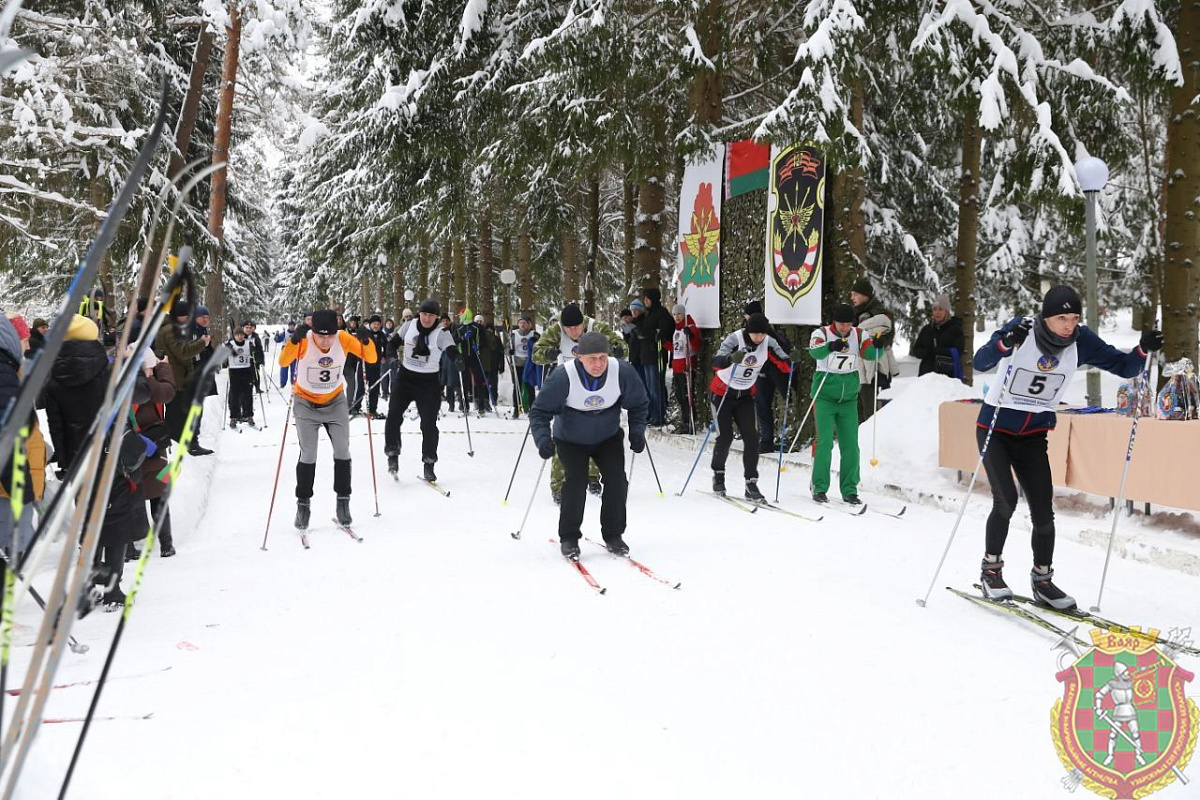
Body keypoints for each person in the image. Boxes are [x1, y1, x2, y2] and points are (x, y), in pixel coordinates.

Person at [972, 285, 1161, 610]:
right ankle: (991, 571)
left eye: (1074, 318)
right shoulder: (1023, 330)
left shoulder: (1081, 340)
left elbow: (1124, 367)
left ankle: (1042, 580)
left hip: (1033, 435)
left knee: (1043, 511)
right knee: (1006, 500)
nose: (1068, 325)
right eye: (1062, 318)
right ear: (1046, 317)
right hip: (996, 429)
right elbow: (981, 361)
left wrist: (1143, 349)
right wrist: (1004, 342)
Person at [529, 331, 648, 560]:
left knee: (617, 481)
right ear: (579, 356)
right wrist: (542, 440)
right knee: (576, 481)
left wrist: (637, 431)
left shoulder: (622, 372)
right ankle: (569, 538)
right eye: (592, 358)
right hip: (570, 439)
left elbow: (639, 404)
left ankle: (614, 535)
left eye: (603, 357)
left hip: (607, 437)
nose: (598, 364)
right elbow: (539, 412)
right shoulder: (563, 376)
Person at [278, 309, 378, 530]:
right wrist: (293, 341)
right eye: (320, 336)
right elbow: (283, 361)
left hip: (335, 402)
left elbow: (371, 357)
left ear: (337, 331)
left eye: (330, 336)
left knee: (342, 450)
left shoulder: (343, 338)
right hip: (306, 403)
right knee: (309, 453)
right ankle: (303, 504)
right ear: (313, 331)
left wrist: (366, 340)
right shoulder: (305, 339)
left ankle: (343, 502)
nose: (325, 341)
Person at [532, 304, 625, 504]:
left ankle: (592, 477)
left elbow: (622, 347)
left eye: (576, 327)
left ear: (584, 323)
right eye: (568, 328)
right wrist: (548, 354)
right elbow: (536, 353)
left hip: (595, 387)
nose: (573, 332)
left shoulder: (596, 328)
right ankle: (559, 485)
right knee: (563, 436)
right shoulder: (556, 331)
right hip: (567, 387)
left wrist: (617, 350)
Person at [710, 313, 793, 501]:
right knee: (725, 437)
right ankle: (719, 474)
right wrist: (730, 359)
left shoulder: (769, 342)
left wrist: (791, 360)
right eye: (755, 334)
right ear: (748, 331)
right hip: (722, 394)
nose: (759, 338)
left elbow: (783, 361)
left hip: (745, 396)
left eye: (762, 334)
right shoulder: (735, 339)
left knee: (752, 438)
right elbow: (716, 362)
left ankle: (751, 483)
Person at [807, 303, 878, 505]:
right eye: (841, 324)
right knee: (825, 443)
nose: (845, 328)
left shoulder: (859, 334)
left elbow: (870, 354)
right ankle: (819, 487)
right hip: (824, 398)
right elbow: (815, 352)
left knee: (851, 446)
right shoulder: (821, 333)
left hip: (848, 400)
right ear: (834, 322)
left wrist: (878, 346)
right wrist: (831, 346)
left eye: (848, 324)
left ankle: (849, 490)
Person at [384, 299, 460, 482]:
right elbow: (391, 345)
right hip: (405, 378)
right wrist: (392, 359)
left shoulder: (441, 332)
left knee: (428, 424)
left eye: (431, 316)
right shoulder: (408, 326)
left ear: (436, 317)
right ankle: (393, 453)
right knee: (393, 415)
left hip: (429, 382)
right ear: (419, 314)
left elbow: (452, 350)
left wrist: (458, 360)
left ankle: (429, 463)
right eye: (424, 314)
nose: (427, 319)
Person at [130, 346, 178, 558]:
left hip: (132, 444)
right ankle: (166, 543)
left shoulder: (125, 380)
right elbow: (167, 391)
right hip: (155, 444)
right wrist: (164, 367)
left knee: (135, 495)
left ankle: (136, 544)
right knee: (159, 494)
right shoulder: (149, 384)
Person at [155, 301, 214, 456]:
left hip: (177, 378)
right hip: (176, 379)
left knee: (180, 414)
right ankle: (181, 446)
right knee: (178, 415)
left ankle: (184, 445)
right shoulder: (172, 330)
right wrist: (202, 343)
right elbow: (183, 352)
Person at [742, 301, 793, 452]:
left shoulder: (764, 331)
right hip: (763, 373)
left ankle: (775, 439)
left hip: (773, 372)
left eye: (747, 315)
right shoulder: (749, 331)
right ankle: (766, 440)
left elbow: (773, 353)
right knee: (762, 407)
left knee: (768, 406)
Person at [850, 278, 895, 422]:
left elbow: (888, 335)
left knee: (870, 410)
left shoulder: (881, 314)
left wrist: (880, 341)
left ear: (865, 295)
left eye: (856, 294)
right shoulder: (853, 314)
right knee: (856, 410)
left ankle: (872, 434)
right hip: (855, 368)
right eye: (852, 294)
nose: (852, 298)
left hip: (873, 367)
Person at [638, 287, 675, 426]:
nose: (645, 301)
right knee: (649, 388)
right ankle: (653, 414)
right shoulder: (648, 314)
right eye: (645, 299)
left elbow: (665, 331)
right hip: (647, 355)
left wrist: (655, 335)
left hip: (656, 354)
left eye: (647, 299)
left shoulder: (661, 312)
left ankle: (659, 415)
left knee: (656, 387)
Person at [911, 294, 965, 378]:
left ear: (946, 311)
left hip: (947, 376)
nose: (937, 312)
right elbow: (916, 350)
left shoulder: (955, 329)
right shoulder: (927, 329)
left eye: (940, 309)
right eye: (935, 309)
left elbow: (958, 352)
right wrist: (929, 352)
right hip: (926, 376)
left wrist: (939, 351)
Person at [669, 303, 701, 434]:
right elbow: (676, 348)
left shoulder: (690, 328)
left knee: (687, 397)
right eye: (674, 314)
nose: (677, 317)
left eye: (679, 314)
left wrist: (691, 336)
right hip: (677, 367)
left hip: (686, 367)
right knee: (680, 397)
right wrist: (664, 342)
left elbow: (697, 346)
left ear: (684, 314)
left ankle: (690, 423)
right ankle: (685, 421)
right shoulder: (676, 329)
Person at [225, 327, 257, 427]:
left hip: (246, 371)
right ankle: (234, 417)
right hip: (234, 372)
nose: (240, 336)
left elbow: (255, 352)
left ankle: (249, 415)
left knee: (248, 395)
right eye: (237, 335)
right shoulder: (230, 344)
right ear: (234, 336)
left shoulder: (248, 343)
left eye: (242, 334)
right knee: (234, 395)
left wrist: (254, 352)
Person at [510, 314, 539, 417]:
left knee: (530, 387)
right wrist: (509, 351)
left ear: (529, 324)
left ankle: (532, 408)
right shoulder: (514, 335)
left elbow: (540, 346)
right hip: (517, 364)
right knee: (517, 387)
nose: (522, 325)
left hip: (529, 365)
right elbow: (507, 348)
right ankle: (516, 408)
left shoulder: (534, 334)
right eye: (521, 323)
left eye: (525, 323)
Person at [362, 315, 388, 419]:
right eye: (374, 324)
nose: (376, 326)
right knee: (361, 387)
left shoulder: (381, 335)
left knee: (375, 387)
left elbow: (387, 346)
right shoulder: (365, 333)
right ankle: (355, 407)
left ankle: (373, 409)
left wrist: (384, 356)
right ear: (370, 324)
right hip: (365, 364)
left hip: (376, 365)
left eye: (378, 324)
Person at [243, 321, 265, 393]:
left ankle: (257, 387)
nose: (248, 329)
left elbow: (260, 349)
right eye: (247, 328)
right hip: (242, 360)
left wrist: (261, 360)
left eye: (250, 328)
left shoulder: (255, 337)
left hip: (253, 359)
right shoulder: (239, 336)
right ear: (243, 328)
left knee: (255, 374)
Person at [276, 321, 297, 386]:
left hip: (294, 353)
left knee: (294, 369)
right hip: (285, 353)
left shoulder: (297, 333)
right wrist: (277, 336)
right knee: (284, 368)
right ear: (288, 326)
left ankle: (293, 383)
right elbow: (278, 340)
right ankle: (283, 383)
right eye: (291, 325)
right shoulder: (285, 333)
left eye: (293, 325)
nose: (292, 327)